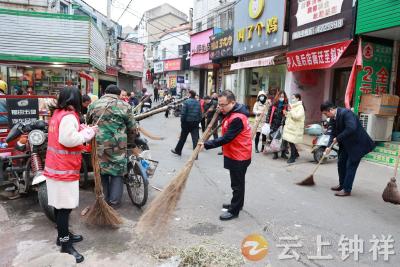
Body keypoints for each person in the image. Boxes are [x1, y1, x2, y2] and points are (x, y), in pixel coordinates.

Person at [44, 87, 98, 263]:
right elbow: (68, 139)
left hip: (56, 168)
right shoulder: (68, 116)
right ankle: (65, 245)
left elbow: (65, 134)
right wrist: (87, 133)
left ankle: (63, 236)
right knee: (64, 209)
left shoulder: (58, 113)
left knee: (61, 207)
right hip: (63, 170)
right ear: (74, 100)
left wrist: (81, 129)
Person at [201, 90, 252, 221]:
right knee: (237, 183)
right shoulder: (232, 113)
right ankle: (237, 204)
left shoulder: (237, 118)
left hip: (239, 155)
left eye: (223, 105)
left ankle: (234, 210)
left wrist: (207, 144)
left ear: (233, 102)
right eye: (220, 104)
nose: (221, 107)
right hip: (234, 153)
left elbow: (227, 138)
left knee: (237, 184)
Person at [87, 84, 139, 207]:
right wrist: (130, 143)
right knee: (117, 172)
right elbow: (132, 128)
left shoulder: (94, 105)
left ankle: (103, 200)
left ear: (104, 92)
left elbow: (88, 122)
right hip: (118, 146)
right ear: (117, 94)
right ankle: (114, 202)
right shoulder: (125, 105)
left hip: (99, 145)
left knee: (102, 171)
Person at [321, 101, 375, 197]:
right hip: (347, 144)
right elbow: (333, 133)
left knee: (351, 165)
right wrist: (329, 147)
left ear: (331, 110)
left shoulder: (346, 113)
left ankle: (347, 189)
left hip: (358, 144)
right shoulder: (333, 118)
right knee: (341, 163)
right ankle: (342, 185)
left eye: (326, 113)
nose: (326, 116)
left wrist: (338, 138)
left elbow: (351, 128)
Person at [171, 90, 201, 156]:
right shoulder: (198, 102)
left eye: (188, 93)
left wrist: (182, 122)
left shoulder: (186, 102)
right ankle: (195, 155)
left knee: (183, 138)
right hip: (195, 123)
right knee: (195, 139)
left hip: (187, 123)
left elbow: (183, 114)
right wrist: (198, 121)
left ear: (190, 94)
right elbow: (200, 114)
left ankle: (178, 150)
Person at [282, 93, 305, 163]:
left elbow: (297, 116)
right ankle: (296, 154)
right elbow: (291, 115)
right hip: (291, 127)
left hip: (295, 128)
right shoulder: (294, 106)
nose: (292, 99)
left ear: (298, 98)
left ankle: (293, 157)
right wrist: (286, 113)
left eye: (293, 98)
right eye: (292, 98)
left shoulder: (300, 107)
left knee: (292, 142)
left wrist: (291, 111)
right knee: (290, 141)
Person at [266, 90, 289, 160]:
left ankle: (283, 153)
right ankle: (275, 153)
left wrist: (285, 117)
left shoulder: (286, 105)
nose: (282, 97)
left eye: (283, 96)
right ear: (278, 96)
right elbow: (269, 113)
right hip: (274, 124)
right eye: (280, 96)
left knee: (284, 139)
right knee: (274, 139)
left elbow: (288, 114)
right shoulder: (274, 104)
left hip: (283, 124)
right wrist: (267, 122)